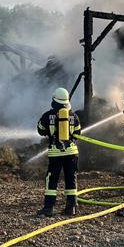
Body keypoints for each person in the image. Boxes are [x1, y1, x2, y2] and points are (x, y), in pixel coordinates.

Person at [36, 88, 82, 217]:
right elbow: (78, 134)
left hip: (56, 153)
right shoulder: (73, 115)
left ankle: (48, 208)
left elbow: (40, 130)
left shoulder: (47, 115)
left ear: (54, 100)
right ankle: (71, 208)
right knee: (71, 179)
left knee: (51, 180)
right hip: (72, 152)